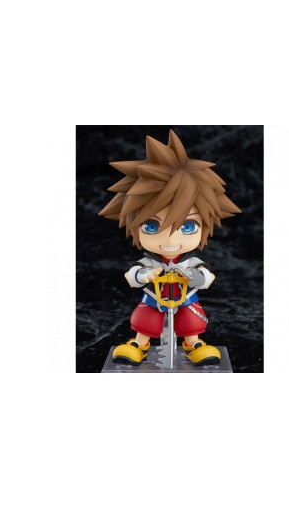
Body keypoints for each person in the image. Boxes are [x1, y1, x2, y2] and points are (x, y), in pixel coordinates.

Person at [99, 130, 241, 366]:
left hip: (185, 298)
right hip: (154, 297)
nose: (170, 239)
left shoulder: (191, 261)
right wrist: (144, 275)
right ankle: (139, 344)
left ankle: (194, 344)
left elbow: (206, 277)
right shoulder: (149, 261)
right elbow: (132, 275)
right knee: (145, 320)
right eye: (152, 227)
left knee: (191, 322)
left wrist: (196, 276)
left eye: (188, 227)